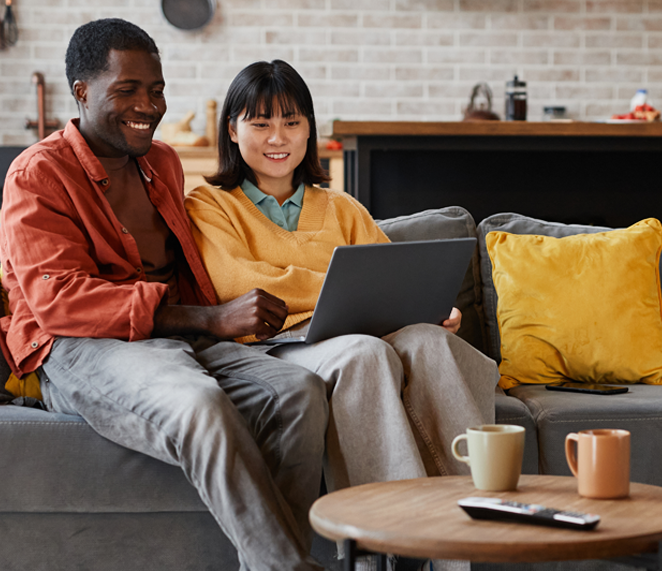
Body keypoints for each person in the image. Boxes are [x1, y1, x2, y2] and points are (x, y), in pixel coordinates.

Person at [0, 20, 327, 571]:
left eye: (156, 90)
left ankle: (269, 563)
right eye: (127, 90)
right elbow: (62, 303)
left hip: (174, 338)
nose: (148, 105)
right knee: (199, 407)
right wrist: (211, 318)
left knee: (300, 392)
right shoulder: (38, 174)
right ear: (81, 91)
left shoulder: (162, 164)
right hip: (79, 346)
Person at [185, 60, 498, 492]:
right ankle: (385, 537)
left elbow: (392, 279)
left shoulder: (342, 207)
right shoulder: (209, 204)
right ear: (233, 131)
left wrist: (426, 310)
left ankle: (477, 509)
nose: (278, 138)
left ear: (309, 129)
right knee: (363, 353)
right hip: (275, 345)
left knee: (432, 343)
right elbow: (241, 286)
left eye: (292, 122)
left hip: (359, 332)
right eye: (260, 124)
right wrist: (345, 288)